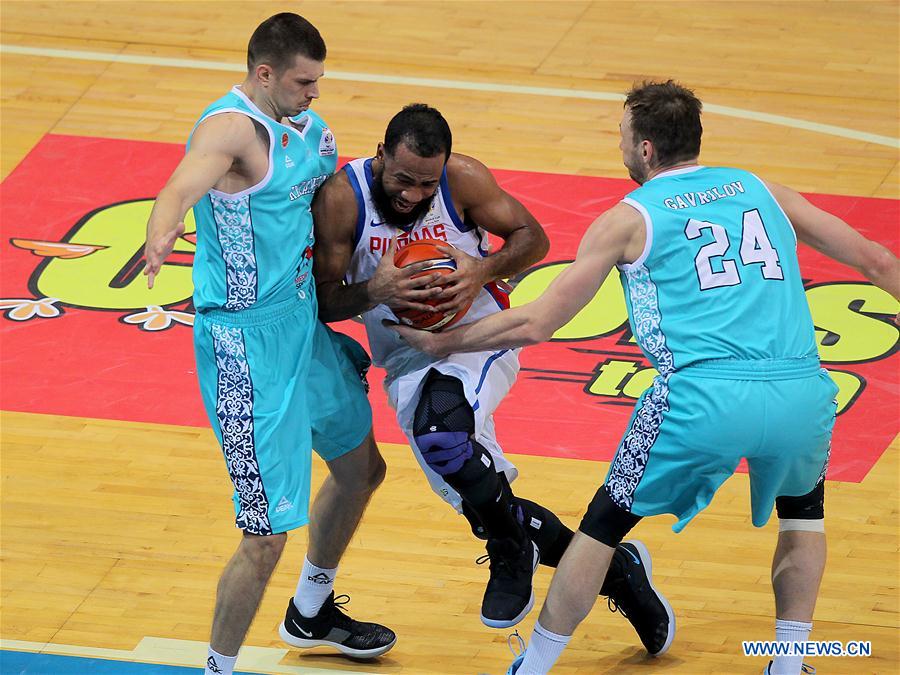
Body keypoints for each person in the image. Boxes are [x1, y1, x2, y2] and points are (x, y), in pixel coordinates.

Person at [391, 81, 900, 675]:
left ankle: (535, 666)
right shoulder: (763, 190)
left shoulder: (628, 219)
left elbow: (536, 322)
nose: (621, 146)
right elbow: (878, 260)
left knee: (601, 530)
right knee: (803, 519)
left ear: (647, 149)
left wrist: (442, 342)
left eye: (623, 137)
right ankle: (788, 664)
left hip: (701, 399)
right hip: (801, 393)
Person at [312, 103, 674, 653]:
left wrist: (480, 269)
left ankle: (511, 552)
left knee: (444, 438)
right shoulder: (344, 198)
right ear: (381, 154)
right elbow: (323, 301)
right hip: (405, 357)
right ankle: (617, 573)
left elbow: (533, 238)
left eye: (425, 184)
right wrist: (374, 291)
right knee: (485, 499)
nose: (412, 194)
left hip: (479, 336)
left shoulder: (462, 179)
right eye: (403, 179)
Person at [142, 14, 395, 675]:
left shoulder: (311, 129)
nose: (315, 92)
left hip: (302, 327)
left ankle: (312, 610)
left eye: (318, 81)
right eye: (304, 82)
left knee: (362, 470)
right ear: (264, 74)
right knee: (263, 540)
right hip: (245, 351)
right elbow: (180, 185)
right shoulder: (232, 130)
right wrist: (163, 231)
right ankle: (218, 668)